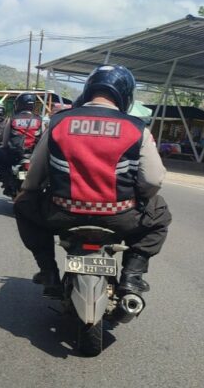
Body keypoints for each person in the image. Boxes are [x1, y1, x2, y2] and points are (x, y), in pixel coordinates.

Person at [14, 65, 171, 298]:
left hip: (61, 213)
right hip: (120, 216)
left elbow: (34, 176)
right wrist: (136, 199)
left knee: (23, 204)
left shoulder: (58, 122)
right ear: (126, 95)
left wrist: (28, 192)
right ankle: (132, 275)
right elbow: (152, 180)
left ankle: (48, 271)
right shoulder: (138, 128)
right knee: (160, 213)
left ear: (88, 90)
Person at [0, 93, 43, 196]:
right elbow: (43, 138)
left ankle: (6, 181)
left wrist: (0, 143)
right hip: (34, 154)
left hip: (15, 153)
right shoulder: (39, 120)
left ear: (18, 104)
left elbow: (5, 140)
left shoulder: (12, 119)